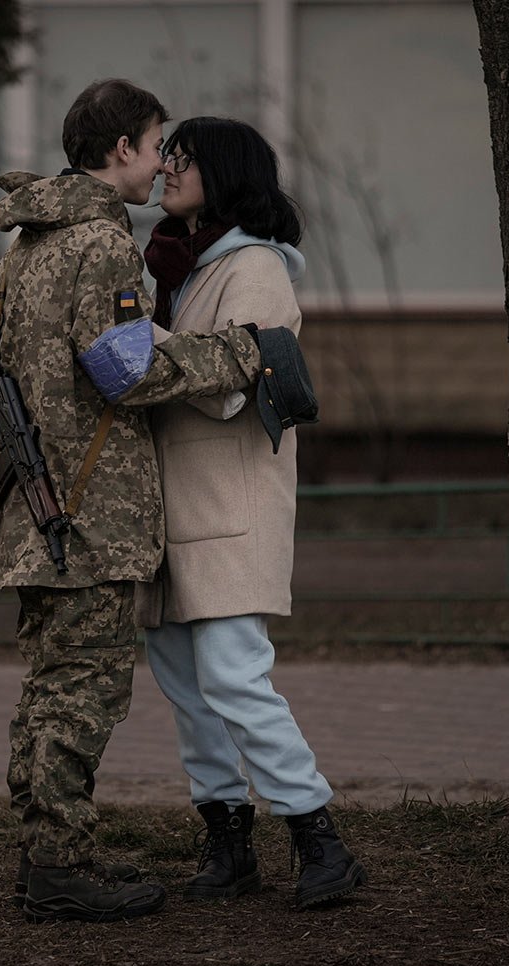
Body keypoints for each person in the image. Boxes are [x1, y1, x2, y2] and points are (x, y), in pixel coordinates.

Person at [0, 81, 262, 924]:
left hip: (33, 513)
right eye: (154, 144)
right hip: (88, 517)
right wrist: (235, 358)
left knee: (47, 692)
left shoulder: (24, 247)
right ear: (120, 151)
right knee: (83, 696)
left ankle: (46, 856)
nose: (161, 161)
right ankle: (62, 868)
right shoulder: (102, 245)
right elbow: (125, 369)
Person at [140, 117, 367, 909]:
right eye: (164, 153)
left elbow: (236, 382)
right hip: (172, 513)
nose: (165, 167)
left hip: (229, 510)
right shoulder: (178, 266)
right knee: (187, 688)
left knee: (236, 679)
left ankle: (319, 840)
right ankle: (228, 842)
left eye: (183, 157)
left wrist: (140, 345)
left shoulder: (255, 268)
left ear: (226, 173)